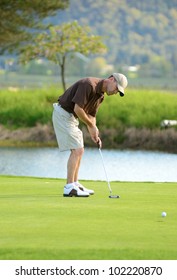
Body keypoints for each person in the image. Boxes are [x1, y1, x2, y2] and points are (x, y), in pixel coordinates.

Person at [52, 73, 128, 197]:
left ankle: (75, 184)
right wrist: (90, 126)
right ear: (111, 79)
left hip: (71, 118)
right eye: (116, 88)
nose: (115, 92)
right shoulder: (88, 84)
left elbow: (91, 115)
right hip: (63, 114)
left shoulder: (100, 96)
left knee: (79, 150)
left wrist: (94, 130)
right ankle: (69, 187)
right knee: (77, 150)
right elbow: (78, 109)